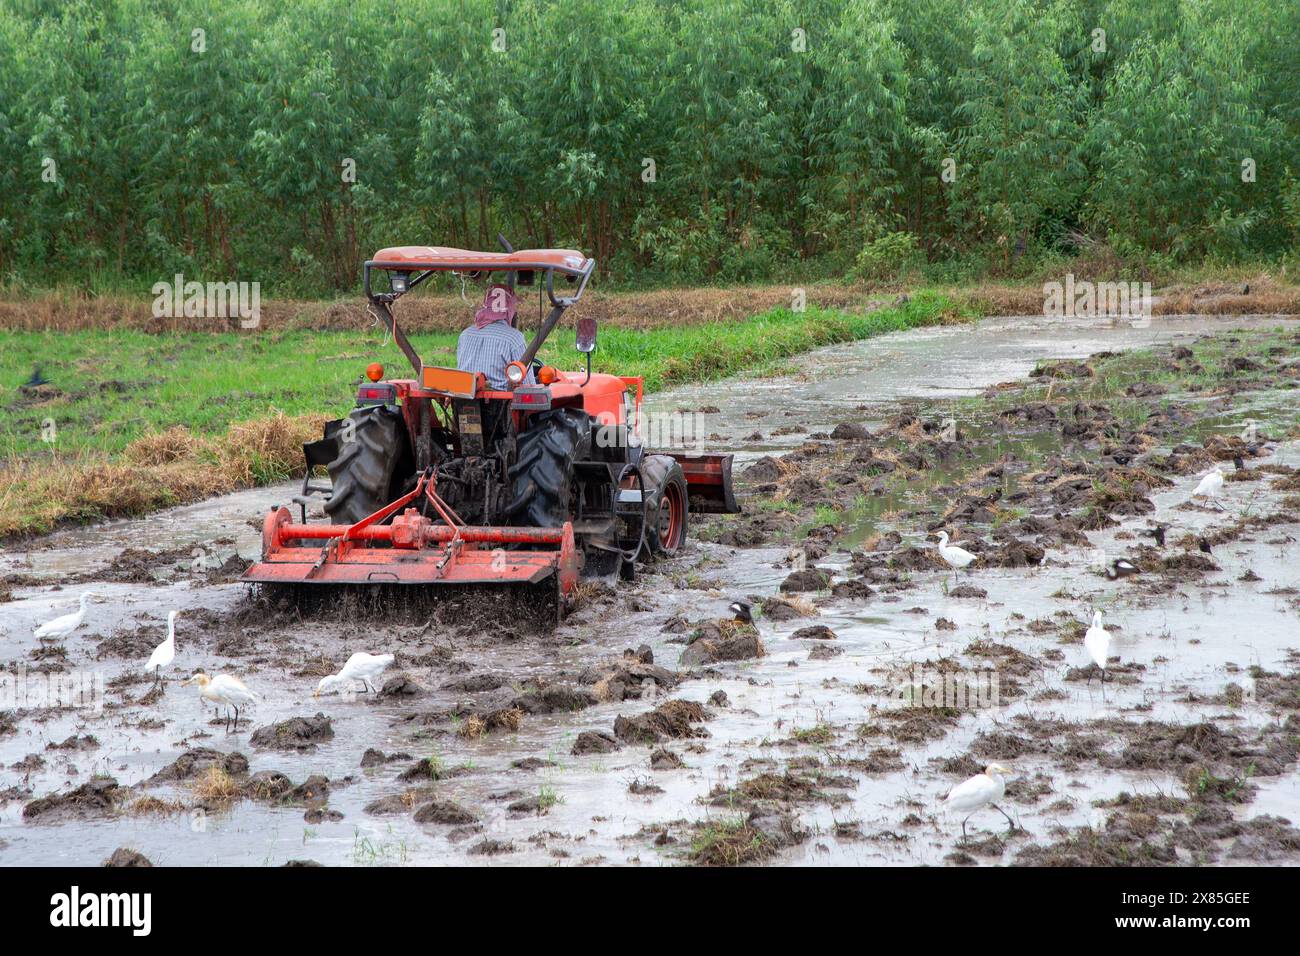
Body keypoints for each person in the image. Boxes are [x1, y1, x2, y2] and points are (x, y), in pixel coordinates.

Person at [456, 283, 534, 390]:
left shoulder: (464, 335)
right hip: (499, 403)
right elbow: (528, 384)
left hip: (464, 399)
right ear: (510, 308)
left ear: (486, 304)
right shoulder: (514, 338)